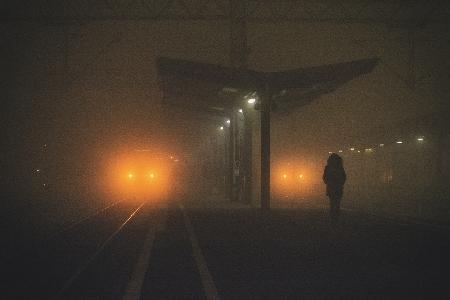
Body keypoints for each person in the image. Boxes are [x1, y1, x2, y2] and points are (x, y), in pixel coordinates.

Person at [323, 153, 346, 224]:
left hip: (331, 187)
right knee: (337, 203)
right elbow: (344, 177)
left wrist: (328, 182)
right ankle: (336, 218)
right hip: (338, 188)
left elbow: (324, 177)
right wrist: (340, 183)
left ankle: (333, 218)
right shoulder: (340, 167)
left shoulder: (328, 167)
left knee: (332, 203)